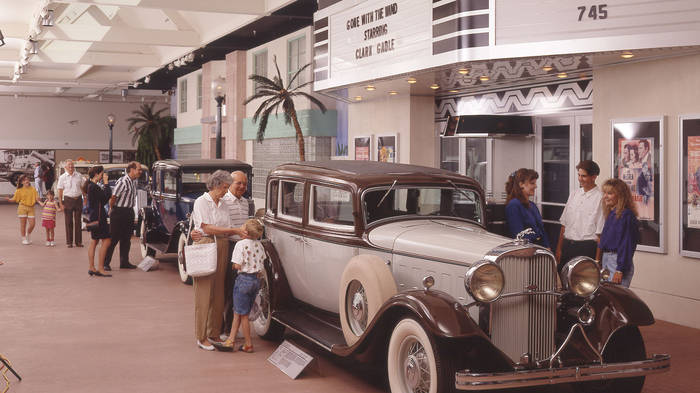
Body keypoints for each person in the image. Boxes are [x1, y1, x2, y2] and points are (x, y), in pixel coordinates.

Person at [190, 170, 247, 351]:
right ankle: (201, 336)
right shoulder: (201, 201)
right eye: (224, 187)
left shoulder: (223, 204)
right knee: (204, 292)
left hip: (222, 245)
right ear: (215, 185)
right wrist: (234, 231)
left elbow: (226, 227)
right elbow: (206, 227)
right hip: (207, 243)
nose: (225, 191)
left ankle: (214, 333)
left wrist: (232, 231)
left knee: (219, 293)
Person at [217, 219, 265, 353]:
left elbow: (237, 265)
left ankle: (248, 344)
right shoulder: (259, 245)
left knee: (242, 314)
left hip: (243, 280)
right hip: (255, 281)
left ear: (245, 232)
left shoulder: (240, 244)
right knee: (238, 312)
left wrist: (233, 265)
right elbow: (261, 264)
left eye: (242, 227)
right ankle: (230, 340)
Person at [555, 160, 605, 272]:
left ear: (594, 177)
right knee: (563, 284)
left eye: (584, 176)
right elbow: (564, 225)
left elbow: (600, 233)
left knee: (581, 286)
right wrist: (559, 249)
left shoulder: (601, 198)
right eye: (579, 175)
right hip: (567, 246)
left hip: (586, 248)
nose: (580, 179)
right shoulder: (574, 194)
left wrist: (597, 260)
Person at [599, 179, 640, 288]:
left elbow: (627, 244)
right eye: (604, 193)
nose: (605, 196)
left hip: (617, 262)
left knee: (616, 298)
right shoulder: (612, 214)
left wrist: (620, 270)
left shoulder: (626, 215)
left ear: (621, 196)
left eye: (610, 193)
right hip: (607, 259)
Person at [103, 162, 142, 271]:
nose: (140, 171)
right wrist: (113, 209)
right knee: (113, 238)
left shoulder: (134, 182)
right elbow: (113, 197)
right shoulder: (122, 182)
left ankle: (124, 262)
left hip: (129, 212)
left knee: (126, 239)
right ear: (132, 170)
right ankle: (106, 263)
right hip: (119, 212)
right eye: (139, 169)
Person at [504, 168, 550, 248]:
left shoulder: (532, 205)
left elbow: (541, 230)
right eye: (532, 183)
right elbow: (518, 235)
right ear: (521, 184)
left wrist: (547, 247)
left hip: (539, 250)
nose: (536, 186)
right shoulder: (514, 205)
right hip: (526, 251)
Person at [84, 166, 112, 277]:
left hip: (94, 217)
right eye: (102, 174)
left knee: (94, 241)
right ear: (96, 174)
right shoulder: (94, 187)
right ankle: (100, 268)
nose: (102, 176)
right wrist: (106, 183)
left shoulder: (90, 186)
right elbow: (105, 198)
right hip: (99, 218)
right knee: (107, 240)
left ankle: (92, 267)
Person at [57, 159, 85, 248]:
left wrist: (85, 199)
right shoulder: (62, 177)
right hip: (68, 200)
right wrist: (61, 203)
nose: (71, 167)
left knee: (78, 222)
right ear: (65, 167)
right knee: (68, 221)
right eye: (69, 166)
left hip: (78, 200)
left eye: (72, 166)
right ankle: (69, 242)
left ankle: (78, 242)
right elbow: (60, 191)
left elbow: (83, 188)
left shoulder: (79, 176)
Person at [7, 175, 39, 245]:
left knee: (32, 224)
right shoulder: (19, 190)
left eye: (27, 179)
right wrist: (9, 200)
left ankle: (28, 233)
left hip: (31, 208)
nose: (27, 181)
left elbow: (37, 198)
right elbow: (14, 199)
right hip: (22, 208)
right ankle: (24, 238)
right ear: (21, 182)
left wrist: (42, 202)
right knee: (23, 225)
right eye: (24, 180)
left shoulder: (33, 189)